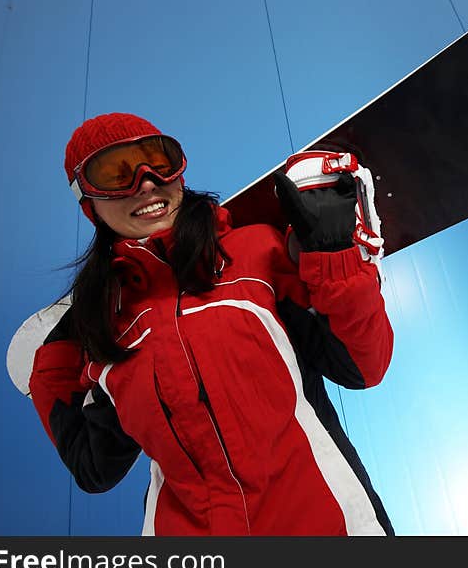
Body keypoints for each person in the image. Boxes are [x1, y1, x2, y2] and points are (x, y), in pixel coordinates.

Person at [28, 112, 394, 535]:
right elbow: (94, 468)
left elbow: (365, 367)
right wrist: (52, 362)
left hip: (327, 521)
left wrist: (336, 259)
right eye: (115, 173)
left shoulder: (256, 254)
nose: (146, 181)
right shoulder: (108, 327)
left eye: (157, 160)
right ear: (89, 204)